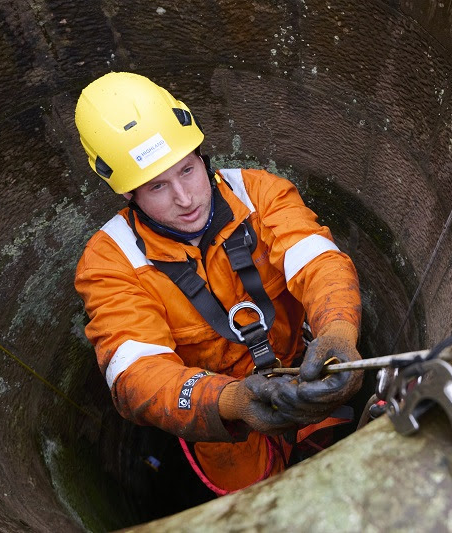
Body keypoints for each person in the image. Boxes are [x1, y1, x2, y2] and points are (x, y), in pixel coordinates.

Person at [74, 72, 363, 493]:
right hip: (222, 416)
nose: (185, 198)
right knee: (255, 500)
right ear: (128, 195)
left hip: (304, 367)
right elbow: (136, 374)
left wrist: (337, 330)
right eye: (157, 186)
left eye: (187, 170)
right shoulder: (109, 263)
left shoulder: (261, 195)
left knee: (330, 459)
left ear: (200, 154)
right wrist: (233, 402)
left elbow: (318, 261)